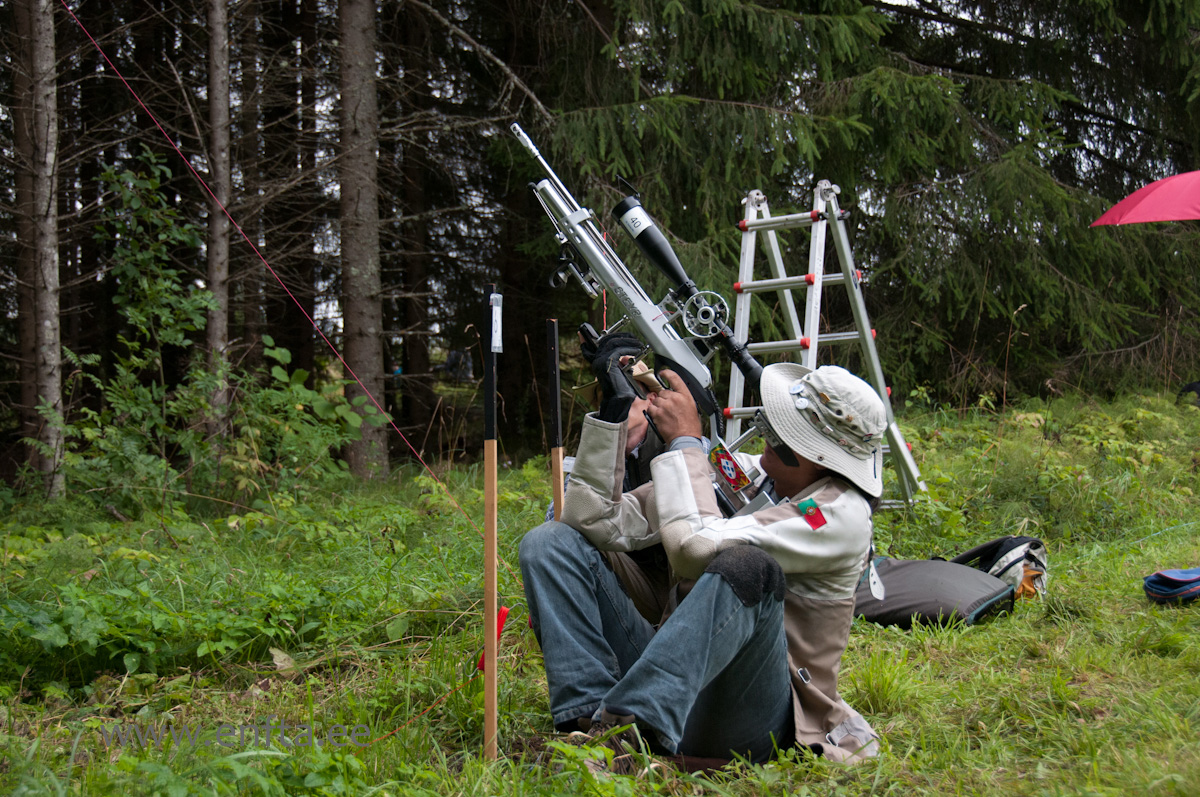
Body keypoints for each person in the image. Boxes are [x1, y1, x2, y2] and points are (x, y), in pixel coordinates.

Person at [519, 337, 886, 771]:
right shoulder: (751, 473)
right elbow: (586, 519)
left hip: (749, 712)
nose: (765, 454)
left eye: (780, 439)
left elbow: (694, 551)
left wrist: (686, 445)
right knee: (550, 542)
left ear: (820, 458)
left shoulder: (839, 515)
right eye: (767, 430)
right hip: (669, 687)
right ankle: (592, 731)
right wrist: (614, 416)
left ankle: (626, 732)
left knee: (749, 568)